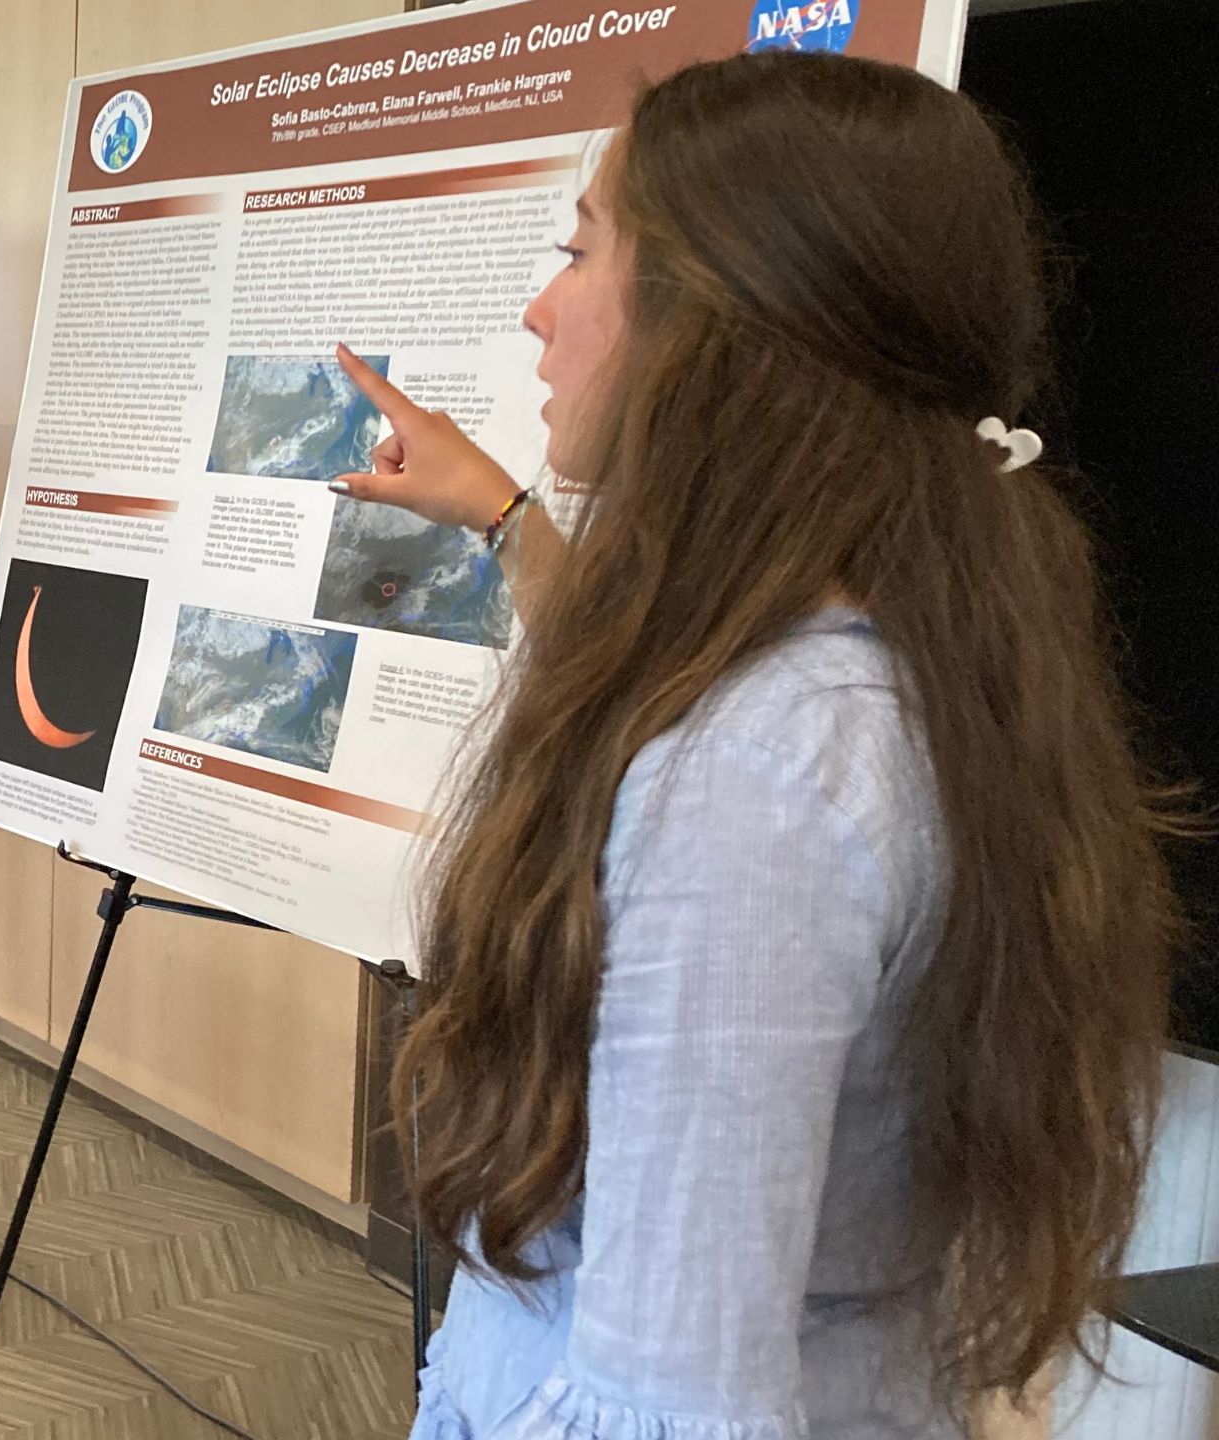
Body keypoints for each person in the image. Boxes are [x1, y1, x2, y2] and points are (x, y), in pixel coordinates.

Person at [343, 55, 1175, 1438]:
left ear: (718, 318)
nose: (540, 312)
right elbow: (641, 691)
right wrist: (501, 514)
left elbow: (676, 1399)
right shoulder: (907, 667)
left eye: (579, 252)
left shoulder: (755, 772)